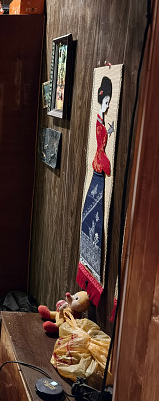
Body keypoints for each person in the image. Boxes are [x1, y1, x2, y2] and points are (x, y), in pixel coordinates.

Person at [79, 75, 113, 282]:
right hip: (99, 161)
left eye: (109, 102)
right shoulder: (99, 119)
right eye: (106, 101)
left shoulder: (101, 118)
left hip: (100, 162)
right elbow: (101, 141)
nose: (107, 105)